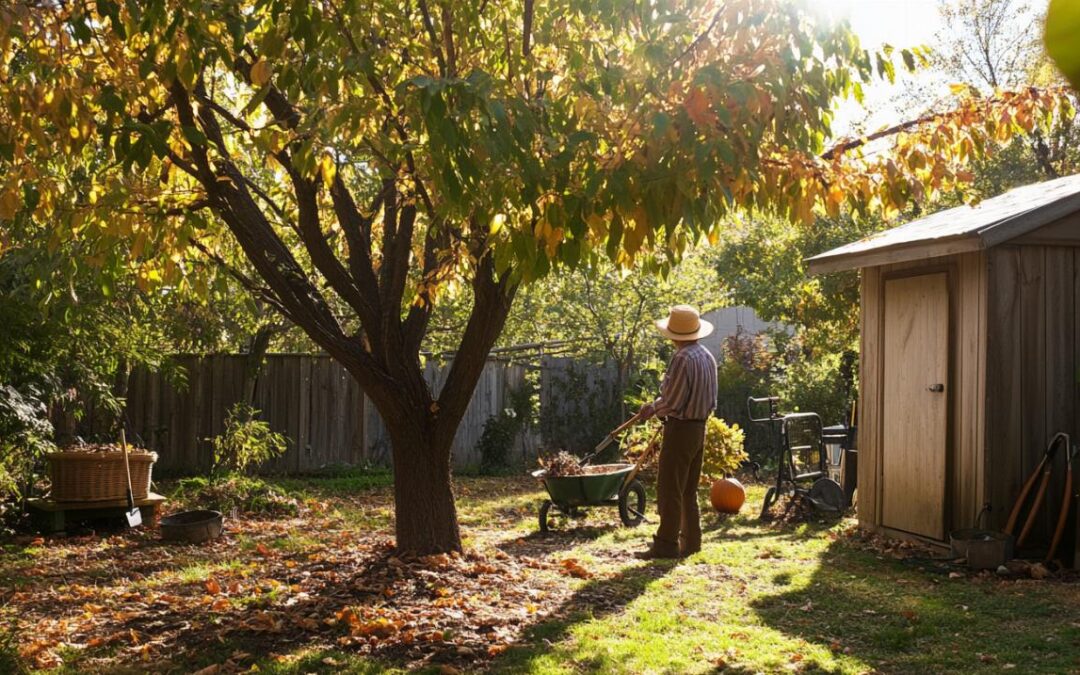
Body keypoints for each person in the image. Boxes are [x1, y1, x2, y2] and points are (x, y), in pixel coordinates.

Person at [632, 305, 718, 560]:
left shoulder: (682, 358)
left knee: (669, 488)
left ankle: (666, 545)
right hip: (699, 427)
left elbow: (674, 401)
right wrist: (659, 406)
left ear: (674, 335)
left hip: (681, 429)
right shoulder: (706, 355)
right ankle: (691, 541)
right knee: (688, 489)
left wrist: (652, 408)